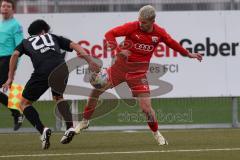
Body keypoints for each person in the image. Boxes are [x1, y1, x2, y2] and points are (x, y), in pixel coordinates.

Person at [75, 5, 202, 145]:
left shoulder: (159, 33)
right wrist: (118, 50)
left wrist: (188, 54)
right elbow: (109, 33)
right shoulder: (132, 26)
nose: (140, 24)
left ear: (152, 20)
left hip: (138, 74)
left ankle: (157, 134)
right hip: (119, 69)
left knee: (146, 109)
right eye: (139, 20)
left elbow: (172, 43)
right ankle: (85, 121)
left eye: (144, 22)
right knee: (95, 92)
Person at [2, 19, 100, 149]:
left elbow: (14, 54)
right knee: (59, 97)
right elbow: (75, 45)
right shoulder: (53, 37)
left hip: (42, 71)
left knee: (24, 103)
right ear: (43, 31)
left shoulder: (26, 42)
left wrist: (10, 78)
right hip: (61, 68)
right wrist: (90, 60)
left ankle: (43, 130)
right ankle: (70, 127)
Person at [0, 0, 24, 131]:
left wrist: (12, 70)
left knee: (13, 88)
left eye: (8, 6)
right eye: (3, 6)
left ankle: (17, 113)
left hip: (7, 59)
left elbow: (19, 48)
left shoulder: (16, 26)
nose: (5, 8)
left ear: (13, 9)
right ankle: (17, 111)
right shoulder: (1, 23)